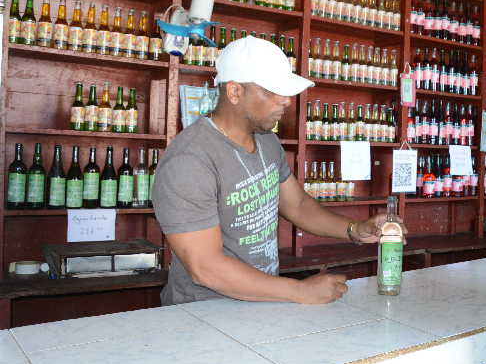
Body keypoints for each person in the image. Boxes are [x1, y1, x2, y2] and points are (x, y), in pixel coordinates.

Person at [153, 36, 403, 306]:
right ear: (235, 92)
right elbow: (205, 268)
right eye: (272, 91)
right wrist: (300, 292)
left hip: (262, 301)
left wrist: (354, 229)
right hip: (204, 311)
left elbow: (297, 205)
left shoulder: (267, 140)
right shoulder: (189, 159)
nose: (286, 101)